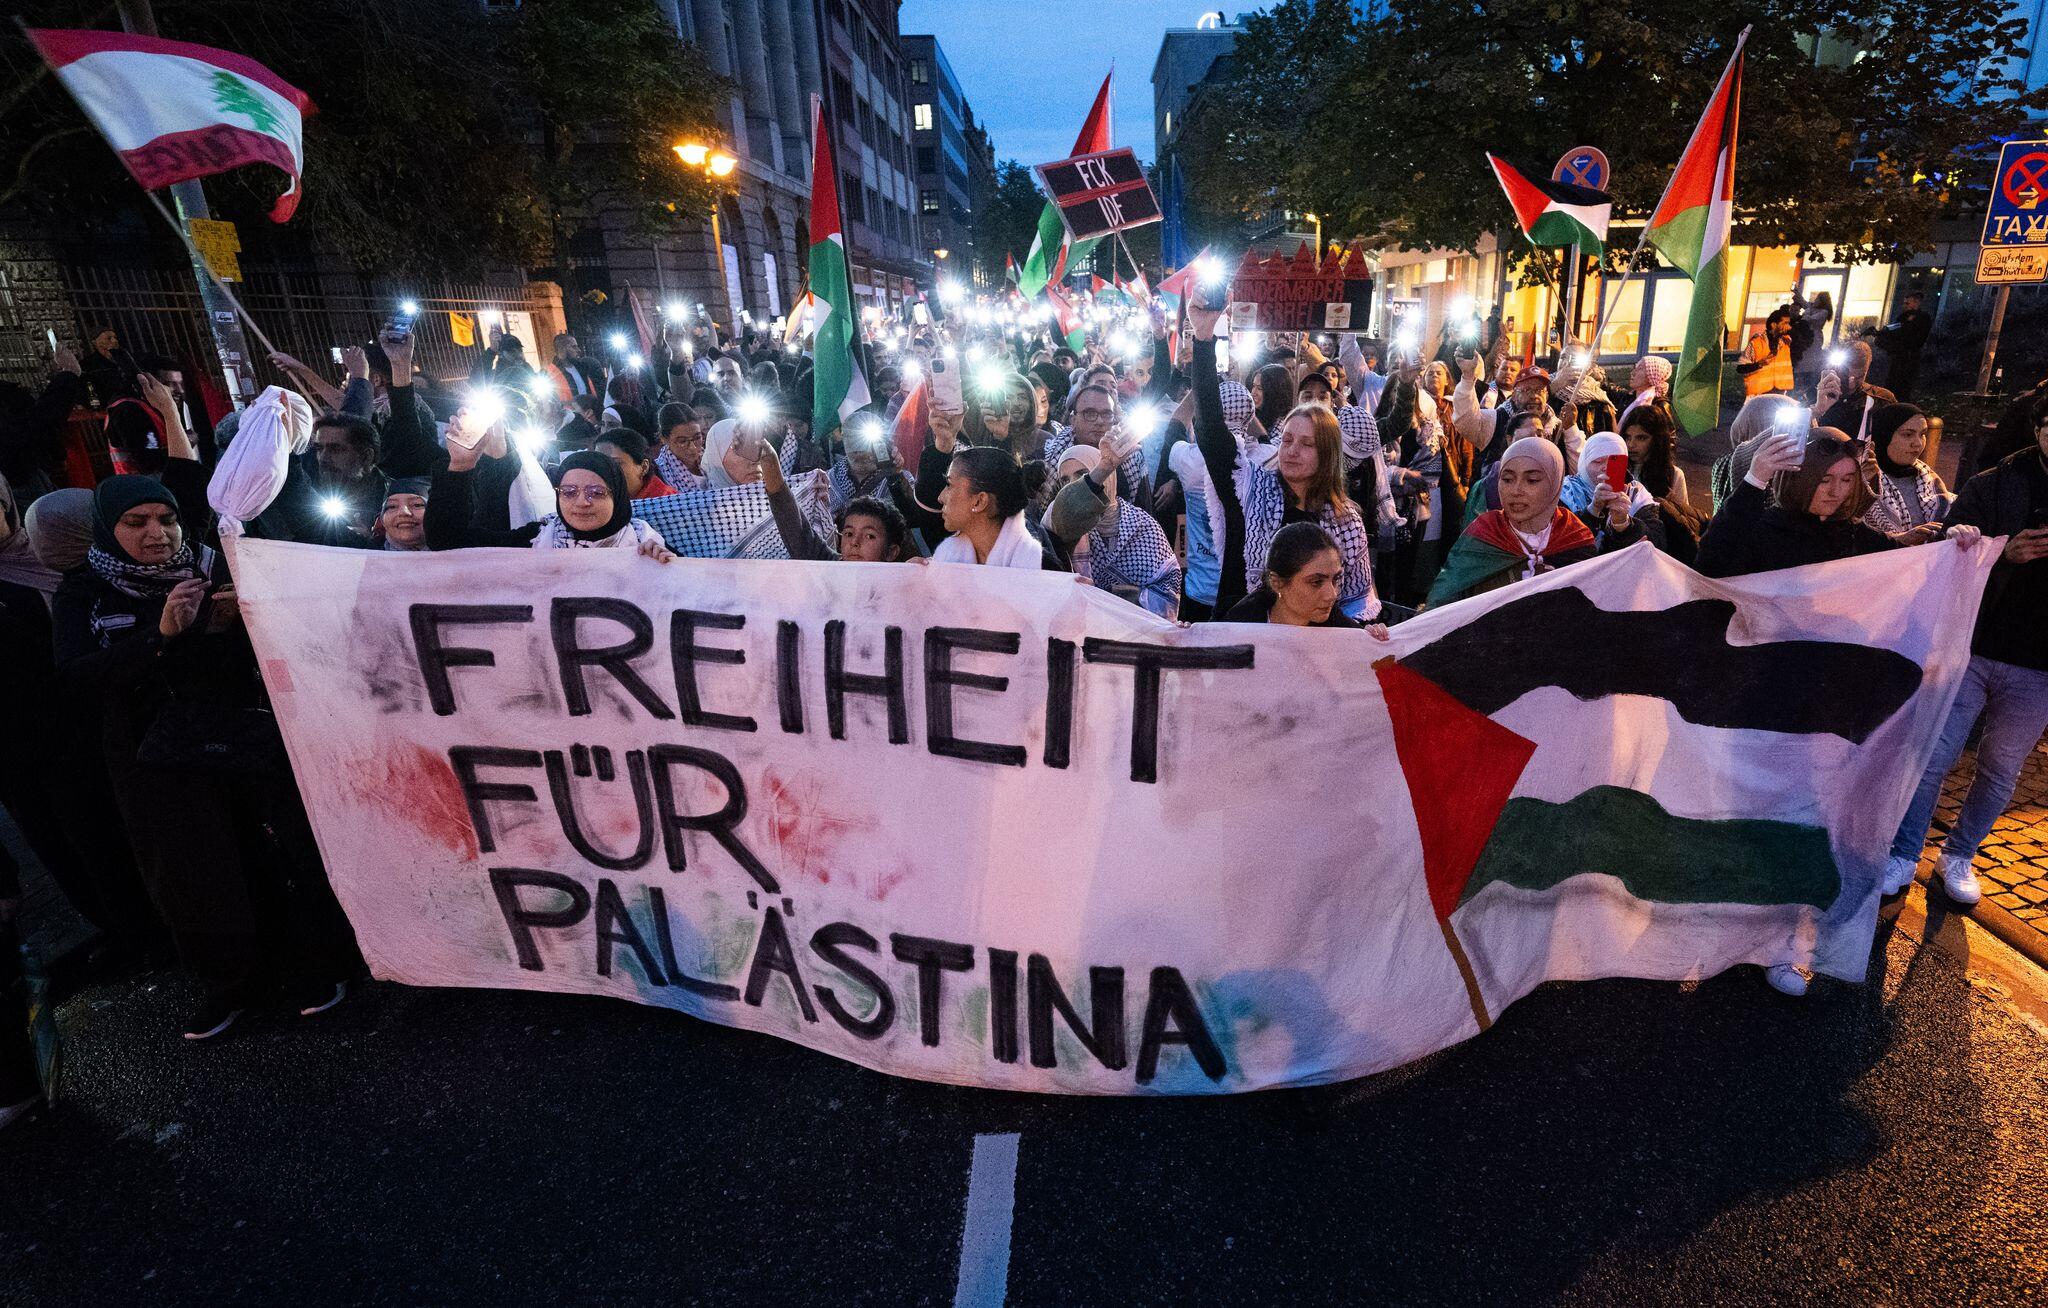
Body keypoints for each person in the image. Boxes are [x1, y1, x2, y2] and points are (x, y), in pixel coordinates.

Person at [51, 476, 359, 1038]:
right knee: (192, 872)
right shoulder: (85, 592)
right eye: (136, 523)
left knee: (276, 852)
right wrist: (161, 637)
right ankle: (232, 984)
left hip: (241, 739)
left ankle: (318, 965)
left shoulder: (217, 564)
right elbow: (76, 681)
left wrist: (240, 624)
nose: (157, 534)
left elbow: (289, 640)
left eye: (166, 519)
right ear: (107, 529)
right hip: (155, 761)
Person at [1885, 401, 2048, 905]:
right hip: (1972, 645)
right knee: (1934, 754)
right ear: (2038, 429)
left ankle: (1958, 856)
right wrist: (2002, 553)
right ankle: (1904, 854)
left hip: (2039, 666)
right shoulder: (1996, 484)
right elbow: (1950, 552)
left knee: (2001, 768)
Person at [1190, 302, 1378, 620]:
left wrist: (1369, 631)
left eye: (1306, 444)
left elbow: (1355, 604)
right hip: (1240, 639)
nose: (1291, 451)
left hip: (1310, 648)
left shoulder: (1346, 521)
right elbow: (1210, 430)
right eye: (1287, 440)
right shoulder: (1248, 489)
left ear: (1328, 454)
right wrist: (1204, 338)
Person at [1425, 436, 1638, 607]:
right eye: (1507, 479)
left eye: (1532, 480)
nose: (1516, 490)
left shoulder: (1575, 536)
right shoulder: (1483, 534)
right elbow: (1441, 607)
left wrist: (1621, 525)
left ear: (1555, 483)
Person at [1696, 427, 1915, 579]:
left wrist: (1933, 546)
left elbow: (1910, 565)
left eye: (1847, 480)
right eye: (1824, 480)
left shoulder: (1851, 533)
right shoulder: (1763, 532)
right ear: (1798, 478)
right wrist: (1754, 480)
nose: (1836, 491)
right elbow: (1709, 569)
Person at [1042, 443, 1182, 618]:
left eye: (1083, 475)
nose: (1073, 484)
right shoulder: (1058, 518)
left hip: (1135, 631)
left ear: (1108, 477)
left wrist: (1107, 600)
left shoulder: (1143, 525)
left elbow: (1166, 592)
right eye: (1065, 480)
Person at [1223, 521, 1393, 637]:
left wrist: (1371, 643)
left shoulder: (1342, 632)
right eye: (1316, 582)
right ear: (1277, 583)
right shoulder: (1234, 630)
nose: (1332, 595)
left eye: (1335, 580)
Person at [930, 444, 1059, 569]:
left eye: (949, 485)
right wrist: (920, 573)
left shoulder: (1043, 570)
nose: (940, 497)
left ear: (979, 501)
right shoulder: (946, 559)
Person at [530, 450, 676, 557]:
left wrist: (668, 565)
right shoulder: (536, 536)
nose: (582, 503)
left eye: (596, 493)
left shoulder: (645, 541)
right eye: (569, 492)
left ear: (617, 496)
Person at [1862, 404, 1951, 542]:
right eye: (1908, 435)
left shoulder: (1927, 476)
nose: (1918, 443)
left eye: (1922, 434)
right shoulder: (1862, 479)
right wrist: (1899, 540)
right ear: (1884, 436)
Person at [1814, 340, 1894, 442]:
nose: (1851, 384)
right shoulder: (1818, 392)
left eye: (1859, 377)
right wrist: (1817, 409)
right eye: (1846, 375)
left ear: (1867, 370)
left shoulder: (1881, 400)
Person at [1874, 291, 1933, 400]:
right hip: (1897, 359)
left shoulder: (1923, 318)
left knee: (1903, 388)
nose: (1904, 306)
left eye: (1907, 303)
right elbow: (1893, 330)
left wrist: (1908, 324)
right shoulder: (1903, 317)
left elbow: (1915, 338)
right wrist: (1880, 334)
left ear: (1916, 303)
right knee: (1891, 385)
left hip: (1909, 359)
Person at [594, 428, 676, 500]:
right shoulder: (596, 500)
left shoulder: (668, 502)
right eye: (599, 465)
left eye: (616, 464)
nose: (605, 472)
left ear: (644, 467)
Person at [1738, 308, 1796, 398]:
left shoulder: (1786, 341)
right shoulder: (1756, 342)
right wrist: (1759, 364)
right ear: (1774, 325)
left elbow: (1805, 342)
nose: (1788, 327)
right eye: (1785, 323)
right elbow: (1740, 368)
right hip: (1758, 395)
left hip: (1780, 395)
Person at [80, 326, 142, 407]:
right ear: (96, 342)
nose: (114, 341)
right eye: (108, 338)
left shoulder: (125, 359)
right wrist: (96, 406)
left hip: (133, 403)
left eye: (115, 338)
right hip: (110, 407)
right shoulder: (88, 364)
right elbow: (89, 388)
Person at [653, 401, 708, 490]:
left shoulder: (712, 460)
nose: (692, 447)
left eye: (697, 438)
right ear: (664, 439)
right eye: (682, 441)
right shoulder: (658, 474)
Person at [378, 477, 430, 551]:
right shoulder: (365, 555)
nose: (404, 512)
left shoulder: (447, 554)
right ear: (382, 519)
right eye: (392, 506)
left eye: (417, 505)